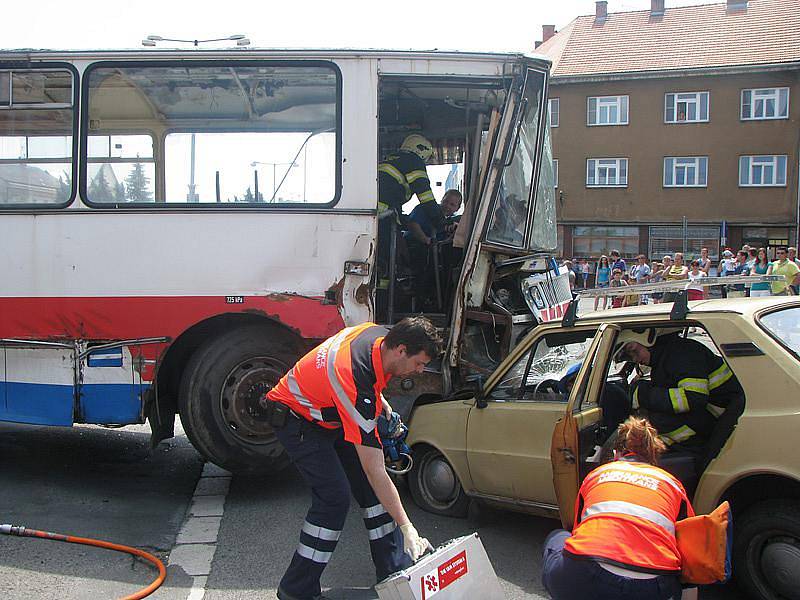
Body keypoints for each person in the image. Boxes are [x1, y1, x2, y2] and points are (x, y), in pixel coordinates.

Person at [265, 317, 440, 600]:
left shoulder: (380, 336)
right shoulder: (354, 381)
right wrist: (408, 527)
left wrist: (381, 402)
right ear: (401, 350)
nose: (420, 371)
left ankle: (394, 572)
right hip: (297, 418)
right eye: (419, 363)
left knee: (372, 493)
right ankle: (295, 590)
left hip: (330, 409)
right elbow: (375, 469)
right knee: (334, 499)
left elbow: (369, 381)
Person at [542, 417, 692, 600]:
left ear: (616, 453)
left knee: (557, 537)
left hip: (584, 576)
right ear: (654, 455)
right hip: (654, 587)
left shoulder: (596, 475)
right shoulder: (672, 483)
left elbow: (577, 531)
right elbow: (689, 550)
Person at [620, 333, 745, 465]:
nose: (635, 359)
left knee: (657, 421)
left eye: (634, 351)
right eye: (630, 356)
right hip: (713, 414)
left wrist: (643, 395)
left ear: (648, 340)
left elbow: (693, 398)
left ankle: (663, 460)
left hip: (718, 416)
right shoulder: (667, 355)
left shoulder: (683, 355)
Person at [377, 134, 443, 270]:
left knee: (380, 256)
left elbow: (390, 192)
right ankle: (383, 290)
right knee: (385, 259)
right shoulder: (414, 161)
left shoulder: (392, 159)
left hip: (376, 213)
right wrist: (439, 220)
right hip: (382, 215)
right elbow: (424, 194)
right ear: (423, 152)